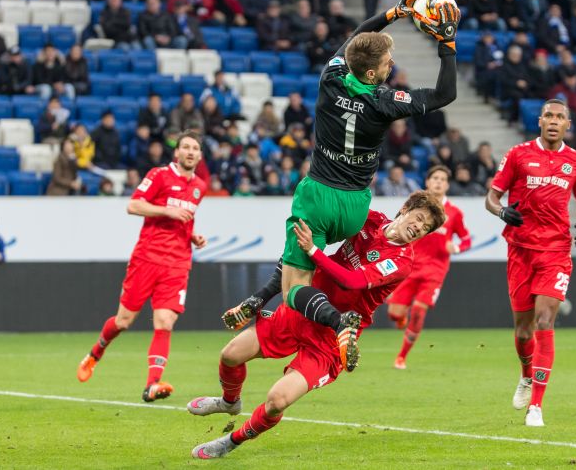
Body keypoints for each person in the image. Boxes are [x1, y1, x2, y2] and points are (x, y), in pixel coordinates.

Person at [221, 0, 459, 372]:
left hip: (318, 194)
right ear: (371, 73)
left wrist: (394, 12)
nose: (391, 65)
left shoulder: (330, 77)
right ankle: (259, 301)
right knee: (307, 259)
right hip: (355, 206)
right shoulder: (386, 101)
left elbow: (354, 41)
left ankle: (333, 321)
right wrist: (446, 41)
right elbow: (445, 93)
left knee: (295, 284)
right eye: (386, 63)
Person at [187, 191, 445, 459]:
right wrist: (261, 296)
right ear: (404, 209)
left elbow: (352, 281)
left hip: (333, 338)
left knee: (277, 400)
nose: (418, 228)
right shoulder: (370, 221)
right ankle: (230, 402)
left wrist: (313, 249)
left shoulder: (402, 262)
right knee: (230, 354)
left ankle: (231, 440)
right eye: (418, 218)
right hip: (300, 311)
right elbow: (297, 257)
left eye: (426, 228)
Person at [77, 132, 208, 402]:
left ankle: (152, 385)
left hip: (178, 262)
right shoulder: (159, 175)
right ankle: (95, 353)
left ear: (200, 155)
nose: (190, 152)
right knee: (124, 321)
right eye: (186, 147)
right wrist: (166, 211)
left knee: (165, 321)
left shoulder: (200, 187)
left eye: (195, 148)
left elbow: (187, 219)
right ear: (177, 153)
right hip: (147, 258)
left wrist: (192, 235)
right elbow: (133, 205)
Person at [485, 98, 576, 427]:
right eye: (549, 115)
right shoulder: (518, 155)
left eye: (561, 116)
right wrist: (502, 211)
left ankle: (536, 406)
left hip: (556, 252)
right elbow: (491, 198)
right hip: (520, 250)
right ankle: (525, 375)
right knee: (522, 330)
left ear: (568, 125)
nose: (554, 121)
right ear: (540, 120)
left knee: (545, 322)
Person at [387, 166, 470, 368]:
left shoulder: (454, 212)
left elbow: (466, 239)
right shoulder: (415, 205)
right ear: (427, 182)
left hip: (436, 269)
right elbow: (398, 222)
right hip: (410, 265)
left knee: (418, 310)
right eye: (435, 178)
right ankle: (400, 318)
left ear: (447, 185)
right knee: (394, 313)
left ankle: (402, 356)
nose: (439, 182)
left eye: (443, 179)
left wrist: (456, 248)